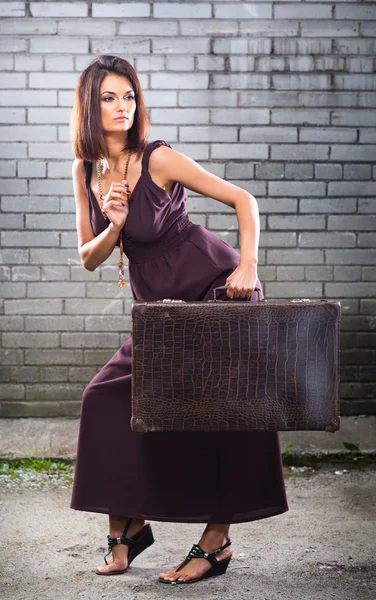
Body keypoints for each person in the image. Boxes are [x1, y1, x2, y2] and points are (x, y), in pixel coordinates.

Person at [69, 54, 288, 585]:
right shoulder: (85, 170)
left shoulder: (158, 158)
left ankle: (216, 543)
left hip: (214, 290)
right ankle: (127, 531)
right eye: (109, 97)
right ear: (89, 106)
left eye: (129, 96)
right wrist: (116, 224)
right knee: (105, 398)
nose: (123, 107)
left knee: (228, 411)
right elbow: (88, 257)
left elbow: (244, 200)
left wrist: (248, 266)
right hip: (162, 314)